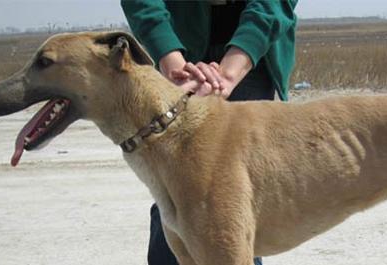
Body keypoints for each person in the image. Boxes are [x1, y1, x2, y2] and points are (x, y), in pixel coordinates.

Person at [120, 1, 298, 264]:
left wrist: (230, 71)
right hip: (177, 49)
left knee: (238, 200)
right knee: (175, 191)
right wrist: (173, 64)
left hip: (252, 57)